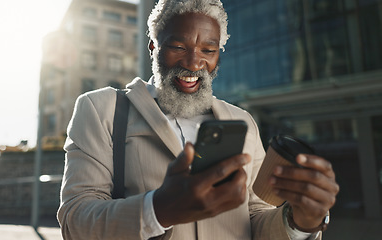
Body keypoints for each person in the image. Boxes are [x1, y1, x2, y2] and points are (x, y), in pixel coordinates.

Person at [57, 0, 339, 239]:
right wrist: (158, 209)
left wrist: (300, 221)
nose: (193, 63)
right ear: (154, 47)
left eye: (208, 50)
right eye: (178, 47)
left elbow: (256, 216)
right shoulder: (101, 108)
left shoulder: (241, 120)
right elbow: (74, 220)